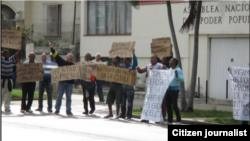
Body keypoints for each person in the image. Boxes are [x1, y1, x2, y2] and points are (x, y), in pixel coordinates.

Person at [136, 54, 164, 123]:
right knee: (148, 103)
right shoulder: (148, 66)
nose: (151, 59)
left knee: (156, 103)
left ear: (156, 59)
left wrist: (154, 70)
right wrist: (138, 69)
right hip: (149, 88)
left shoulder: (159, 65)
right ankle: (146, 118)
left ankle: (157, 119)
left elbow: (162, 71)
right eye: (151, 58)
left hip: (157, 87)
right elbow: (141, 71)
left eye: (153, 58)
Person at [50, 43, 74, 116]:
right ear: (67, 57)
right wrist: (51, 48)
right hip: (62, 82)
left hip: (70, 83)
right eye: (70, 56)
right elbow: (56, 55)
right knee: (59, 96)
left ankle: (68, 110)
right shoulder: (62, 62)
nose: (71, 57)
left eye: (72, 57)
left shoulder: (74, 66)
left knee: (69, 97)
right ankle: (57, 109)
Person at [118, 49, 138, 120]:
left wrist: (134, 54)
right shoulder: (122, 66)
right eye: (123, 60)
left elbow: (136, 64)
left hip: (130, 87)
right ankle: (122, 114)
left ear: (129, 61)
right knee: (122, 102)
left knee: (130, 102)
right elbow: (116, 64)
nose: (124, 61)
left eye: (125, 60)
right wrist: (112, 56)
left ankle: (129, 114)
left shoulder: (132, 66)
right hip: (123, 86)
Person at [165, 58, 184, 125]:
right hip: (168, 89)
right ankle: (170, 121)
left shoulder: (178, 70)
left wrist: (177, 75)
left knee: (174, 106)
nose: (169, 62)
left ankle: (178, 121)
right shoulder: (169, 69)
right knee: (168, 105)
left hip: (174, 90)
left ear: (174, 63)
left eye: (170, 61)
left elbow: (182, 80)